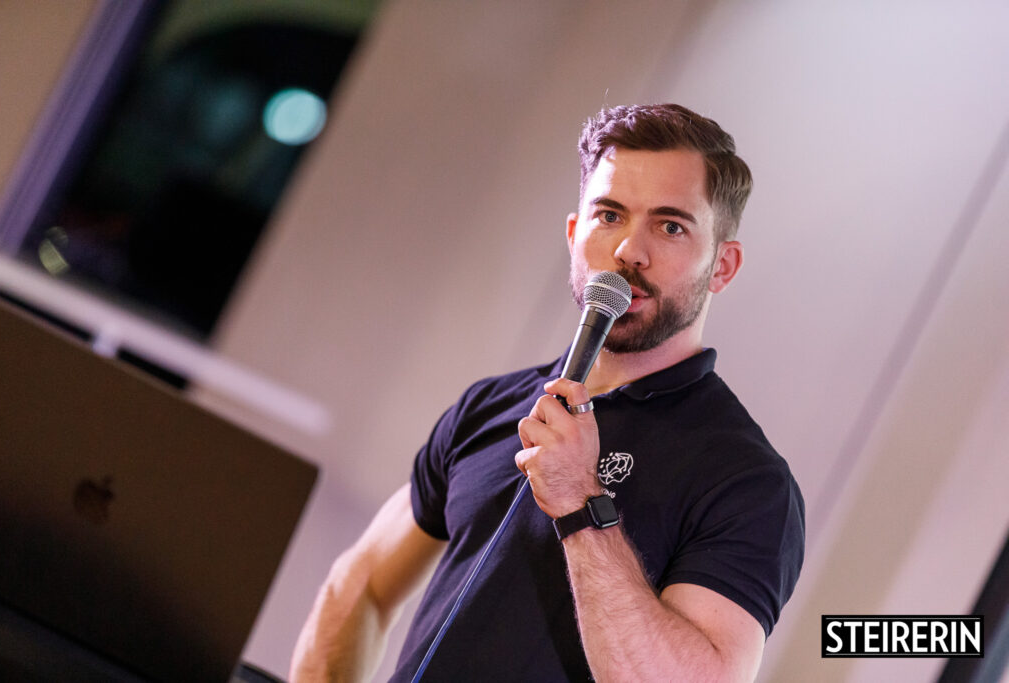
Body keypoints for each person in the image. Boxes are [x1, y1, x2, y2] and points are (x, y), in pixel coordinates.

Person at [291, 103, 805, 682]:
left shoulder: (746, 481)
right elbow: (357, 587)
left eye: (670, 227)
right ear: (573, 234)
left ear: (722, 267)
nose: (628, 251)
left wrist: (580, 501)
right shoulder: (491, 405)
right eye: (609, 215)